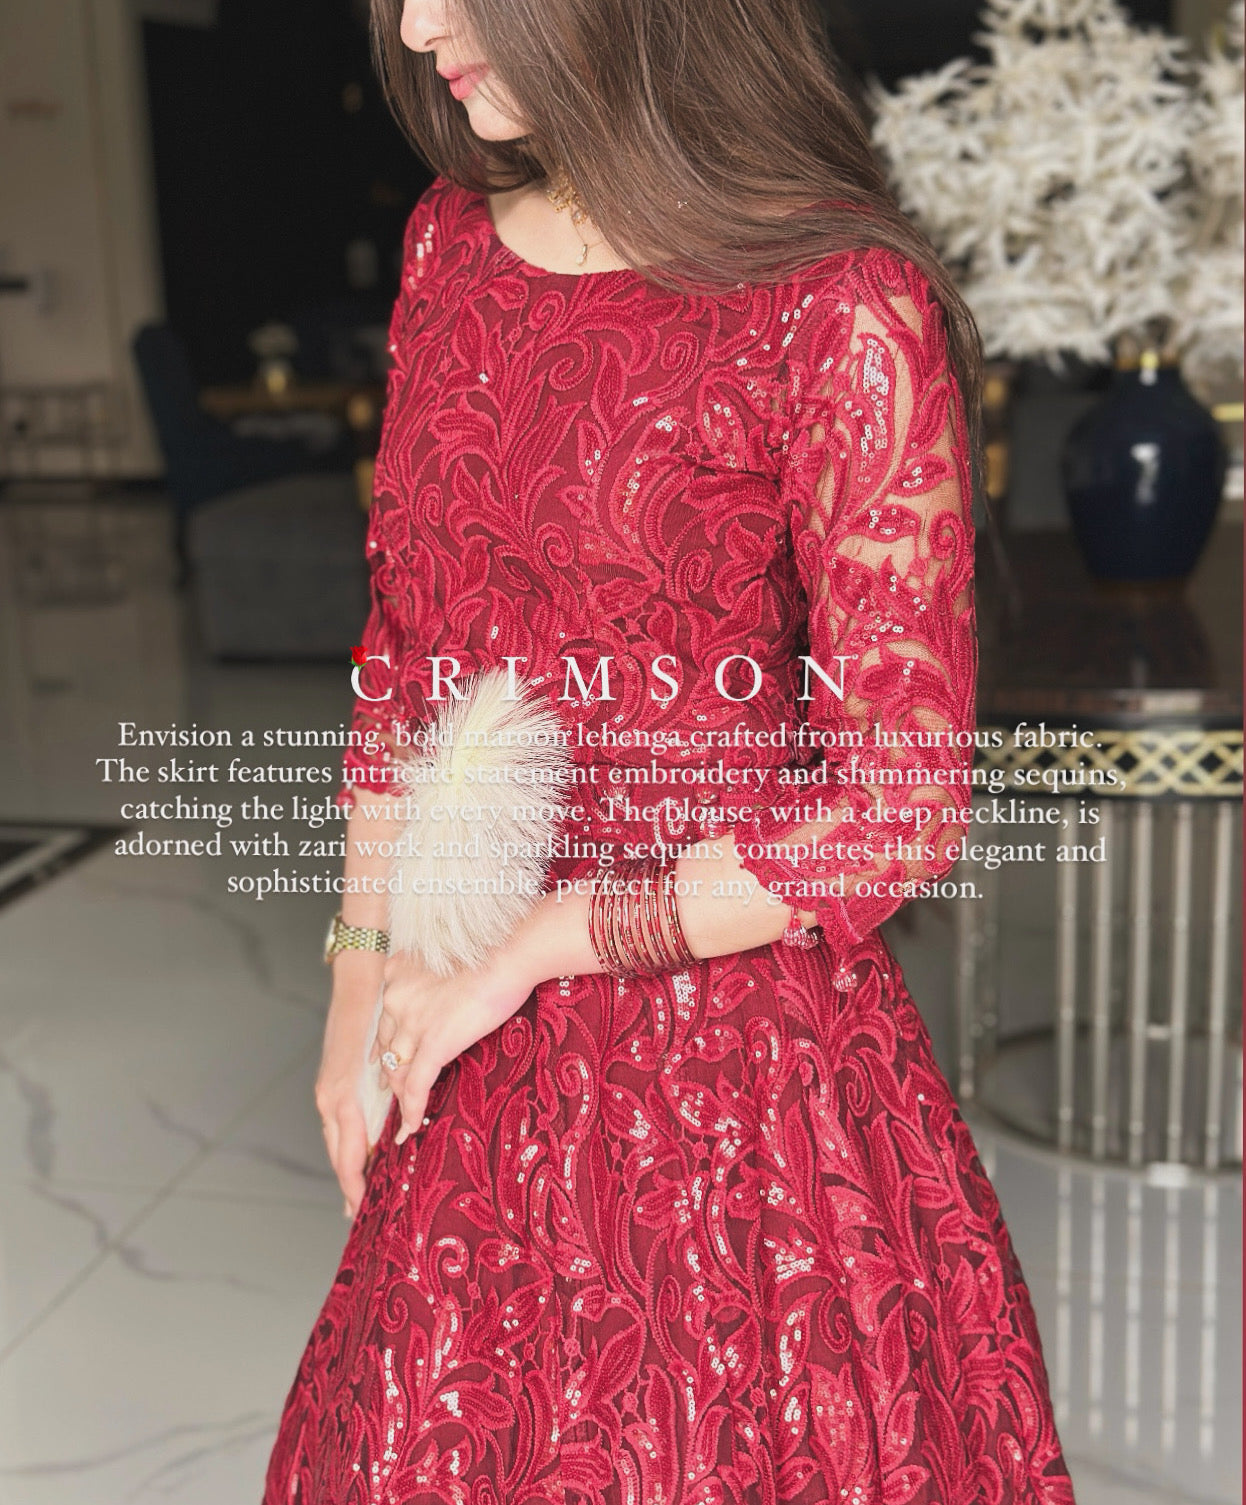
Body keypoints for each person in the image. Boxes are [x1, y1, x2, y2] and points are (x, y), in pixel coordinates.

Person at [265, 0, 1077, 1499]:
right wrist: (360, 973)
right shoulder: (452, 243)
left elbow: (897, 805)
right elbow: (405, 661)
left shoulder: (836, 299)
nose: (422, 26)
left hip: (734, 1061)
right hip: (467, 1020)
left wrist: (546, 941)